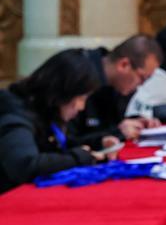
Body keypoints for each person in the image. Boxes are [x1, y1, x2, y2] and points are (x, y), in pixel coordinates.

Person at [0, 49, 120, 193]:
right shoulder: (16, 116)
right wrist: (79, 158)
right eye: (81, 98)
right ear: (64, 91)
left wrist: (98, 143)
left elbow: (58, 145)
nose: (81, 107)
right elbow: (25, 165)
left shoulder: (43, 110)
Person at [71, 34, 163, 144]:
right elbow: (67, 142)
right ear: (124, 65)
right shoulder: (79, 75)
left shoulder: (117, 85)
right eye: (142, 78)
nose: (141, 85)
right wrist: (118, 133)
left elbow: (110, 125)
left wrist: (135, 122)